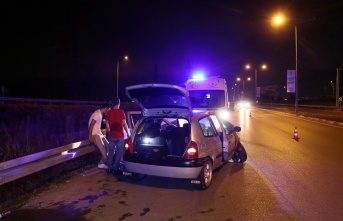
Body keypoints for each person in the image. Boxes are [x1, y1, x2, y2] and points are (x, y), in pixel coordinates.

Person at [106, 97, 131, 174]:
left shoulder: (109, 112)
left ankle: (109, 168)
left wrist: (109, 133)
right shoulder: (121, 112)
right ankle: (116, 168)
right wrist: (129, 133)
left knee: (110, 152)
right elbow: (125, 124)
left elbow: (107, 125)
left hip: (112, 136)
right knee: (119, 153)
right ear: (119, 103)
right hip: (120, 136)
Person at [88, 102, 112, 169]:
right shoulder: (97, 114)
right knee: (103, 149)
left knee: (108, 146)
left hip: (99, 134)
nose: (109, 111)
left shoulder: (100, 114)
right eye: (108, 110)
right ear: (106, 108)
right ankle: (110, 166)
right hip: (95, 134)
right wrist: (90, 136)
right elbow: (91, 125)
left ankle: (101, 163)